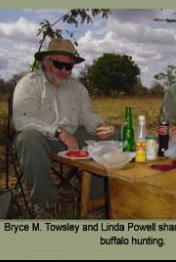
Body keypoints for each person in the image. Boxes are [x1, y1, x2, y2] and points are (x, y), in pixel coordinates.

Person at [12, 38, 118, 218]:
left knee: (116, 136)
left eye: (69, 67)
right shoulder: (29, 84)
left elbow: (88, 115)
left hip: (74, 136)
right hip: (42, 138)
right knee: (28, 139)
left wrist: (100, 126)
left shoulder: (78, 89)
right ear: (46, 62)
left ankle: (96, 202)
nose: (64, 71)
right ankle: (46, 207)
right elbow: (23, 119)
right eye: (59, 64)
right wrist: (58, 131)